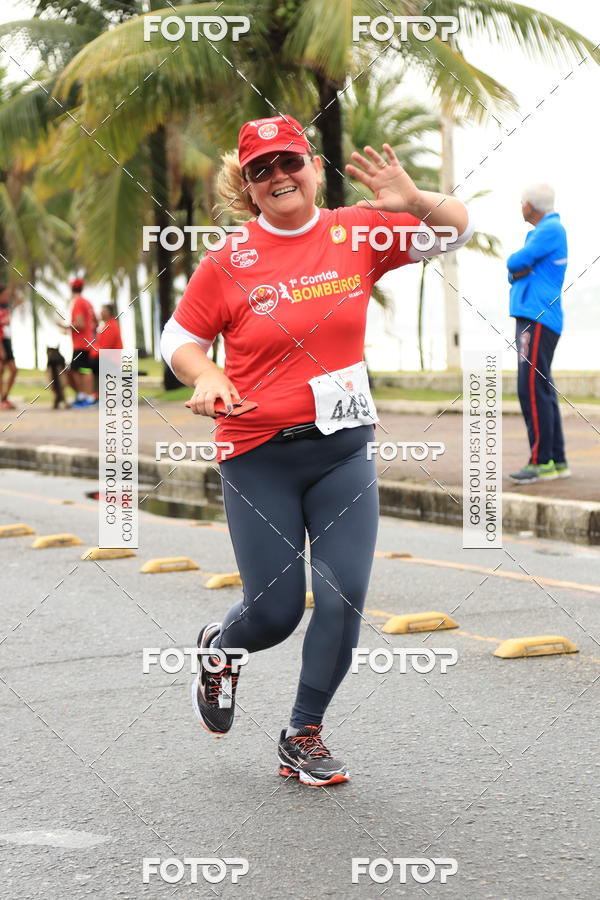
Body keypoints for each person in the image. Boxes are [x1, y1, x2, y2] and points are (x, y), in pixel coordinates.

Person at [160, 115, 472, 786]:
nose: (278, 177)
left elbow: (455, 231)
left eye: (288, 162)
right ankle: (221, 651)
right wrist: (208, 374)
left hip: (342, 452)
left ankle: (303, 732)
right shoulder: (228, 260)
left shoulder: (358, 229)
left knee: (341, 595)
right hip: (258, 455)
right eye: (260, 170)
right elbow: (178, 339)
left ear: (314, 167)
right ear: (246, 189)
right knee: (274, 613)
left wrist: (414, 200)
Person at [507, 184, 570, 483]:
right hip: (538, 315)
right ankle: (556, 460)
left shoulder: (550, 229)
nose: (520, 206)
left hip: (538, 315)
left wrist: (519, 266)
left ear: (532, 205)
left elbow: (515, 262)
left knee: (530, 388)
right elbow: (517, 270)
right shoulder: (545, 231)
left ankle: (540, 461)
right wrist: (519, 268)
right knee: (542, 390)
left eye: (522, 201)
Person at [57, 278, 98, 407]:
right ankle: (84, 396)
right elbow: (94, 322)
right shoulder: (87, 302)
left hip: (81, 344)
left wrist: (63, 326)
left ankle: (87, 396)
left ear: (71, 289)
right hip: (87, 342)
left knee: (80, 370)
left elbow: (79, 324)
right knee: (79, 369)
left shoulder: (78, 302)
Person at [89, 303, 123, 399]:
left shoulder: (111, 326)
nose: (100, 313)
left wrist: (92, 353)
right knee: (91, 364)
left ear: (108, 313)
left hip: (112, 360)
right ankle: (97, 394)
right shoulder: (107, 325)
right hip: (108, 358)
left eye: (102, 310)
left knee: (91, 363)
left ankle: (98, 395)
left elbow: (105, 348)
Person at [0, 285, 20, 410]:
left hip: (6, 340)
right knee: (0, 370)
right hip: (0, 341)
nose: (7, 296)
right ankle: (3, 399)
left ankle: (5, 397)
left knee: (13, 369)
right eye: (5, 294)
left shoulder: (5, 308)